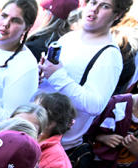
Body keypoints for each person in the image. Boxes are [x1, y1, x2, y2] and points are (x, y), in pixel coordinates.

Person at [37, 0, 131, 149]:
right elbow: (50, 83)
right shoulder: (69, 38)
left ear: (117, 15)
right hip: (33, 129)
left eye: (105, 6)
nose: (95, 9)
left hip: (58, 145)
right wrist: (40, 75)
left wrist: (57, 76)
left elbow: (95, 105)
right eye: (93, 2)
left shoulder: (109, 55)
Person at [0, 0, 39, 125]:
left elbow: (11, 121)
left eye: (15, 20)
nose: (5, 24)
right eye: (4, 16)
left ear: (27, 27)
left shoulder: (25, 65)